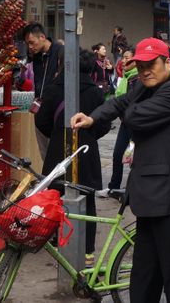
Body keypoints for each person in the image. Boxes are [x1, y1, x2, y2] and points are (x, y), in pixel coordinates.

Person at [70, 38, 170, 302]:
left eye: (150, 65)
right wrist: (93, 116)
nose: (144, 71)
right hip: (150, 197)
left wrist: (126, 104)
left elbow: (133, 115)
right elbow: (120, 103)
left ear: (167, 62)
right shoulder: (146, 85)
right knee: (144, 277)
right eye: (140, 66)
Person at [35, 50, 105, 261]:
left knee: (56, 198)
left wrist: (59, 135)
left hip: (59, 151)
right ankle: (88, 251)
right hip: (86, 151)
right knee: (88, 199)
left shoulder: (53, 89)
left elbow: (41, 122)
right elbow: (104, 124)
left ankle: (59, 245)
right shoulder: (96, 93)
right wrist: (88, 135)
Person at [99, 49, 137, 198]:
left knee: (133, 158)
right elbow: (118, 101)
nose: (123, 60)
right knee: (118, 154)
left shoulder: (138, 79)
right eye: (123, 57)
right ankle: (113, 188)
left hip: (135, 126)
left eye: (127, 58)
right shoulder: (124, 77)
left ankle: (132, 191)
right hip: (125, 124)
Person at [24, 23, 62, 156]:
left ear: (42, 37)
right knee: (44, 154)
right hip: (41, 109)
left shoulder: (59, 51)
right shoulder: (36, 57)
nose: (30, 47)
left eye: (32, 42)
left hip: (56, 110)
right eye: (27, 43)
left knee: (56, 154)